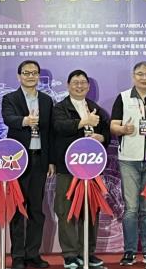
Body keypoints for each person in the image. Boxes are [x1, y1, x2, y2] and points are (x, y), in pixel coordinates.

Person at [110, 61, 146, 267]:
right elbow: (113, 126)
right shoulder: (123, 97)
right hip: (128, 159)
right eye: (140, 74)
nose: (144, 78)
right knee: (131, 208)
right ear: (133, 76)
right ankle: (129, 252)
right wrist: (122, 130)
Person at [52, 69, 111, 269]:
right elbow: (59, 127)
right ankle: (70, 254)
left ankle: (88, 252)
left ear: (88, 86)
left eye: (83, 82)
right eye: (75, 82)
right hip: (67, 167)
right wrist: (83, 122)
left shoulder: (95, 108)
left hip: (91, 168)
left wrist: (101, 137)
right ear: (68, 85)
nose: (80, 86)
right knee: (66, 210)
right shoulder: (60, 108)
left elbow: (106, 132)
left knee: (90, 211)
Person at [2, 60, 56, 269]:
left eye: (34, 73)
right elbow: (9, 119)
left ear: (39, 76)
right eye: (26, 73)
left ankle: (33, 253)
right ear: (19, 76)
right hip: (17, 161)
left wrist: (51, 160)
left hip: (40, 159)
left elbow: (50, 132)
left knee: (36, 209)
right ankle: (18, 255)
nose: (30, 76)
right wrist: (26, 121)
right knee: (18, 208)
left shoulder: (46, 100)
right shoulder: (10, 98)